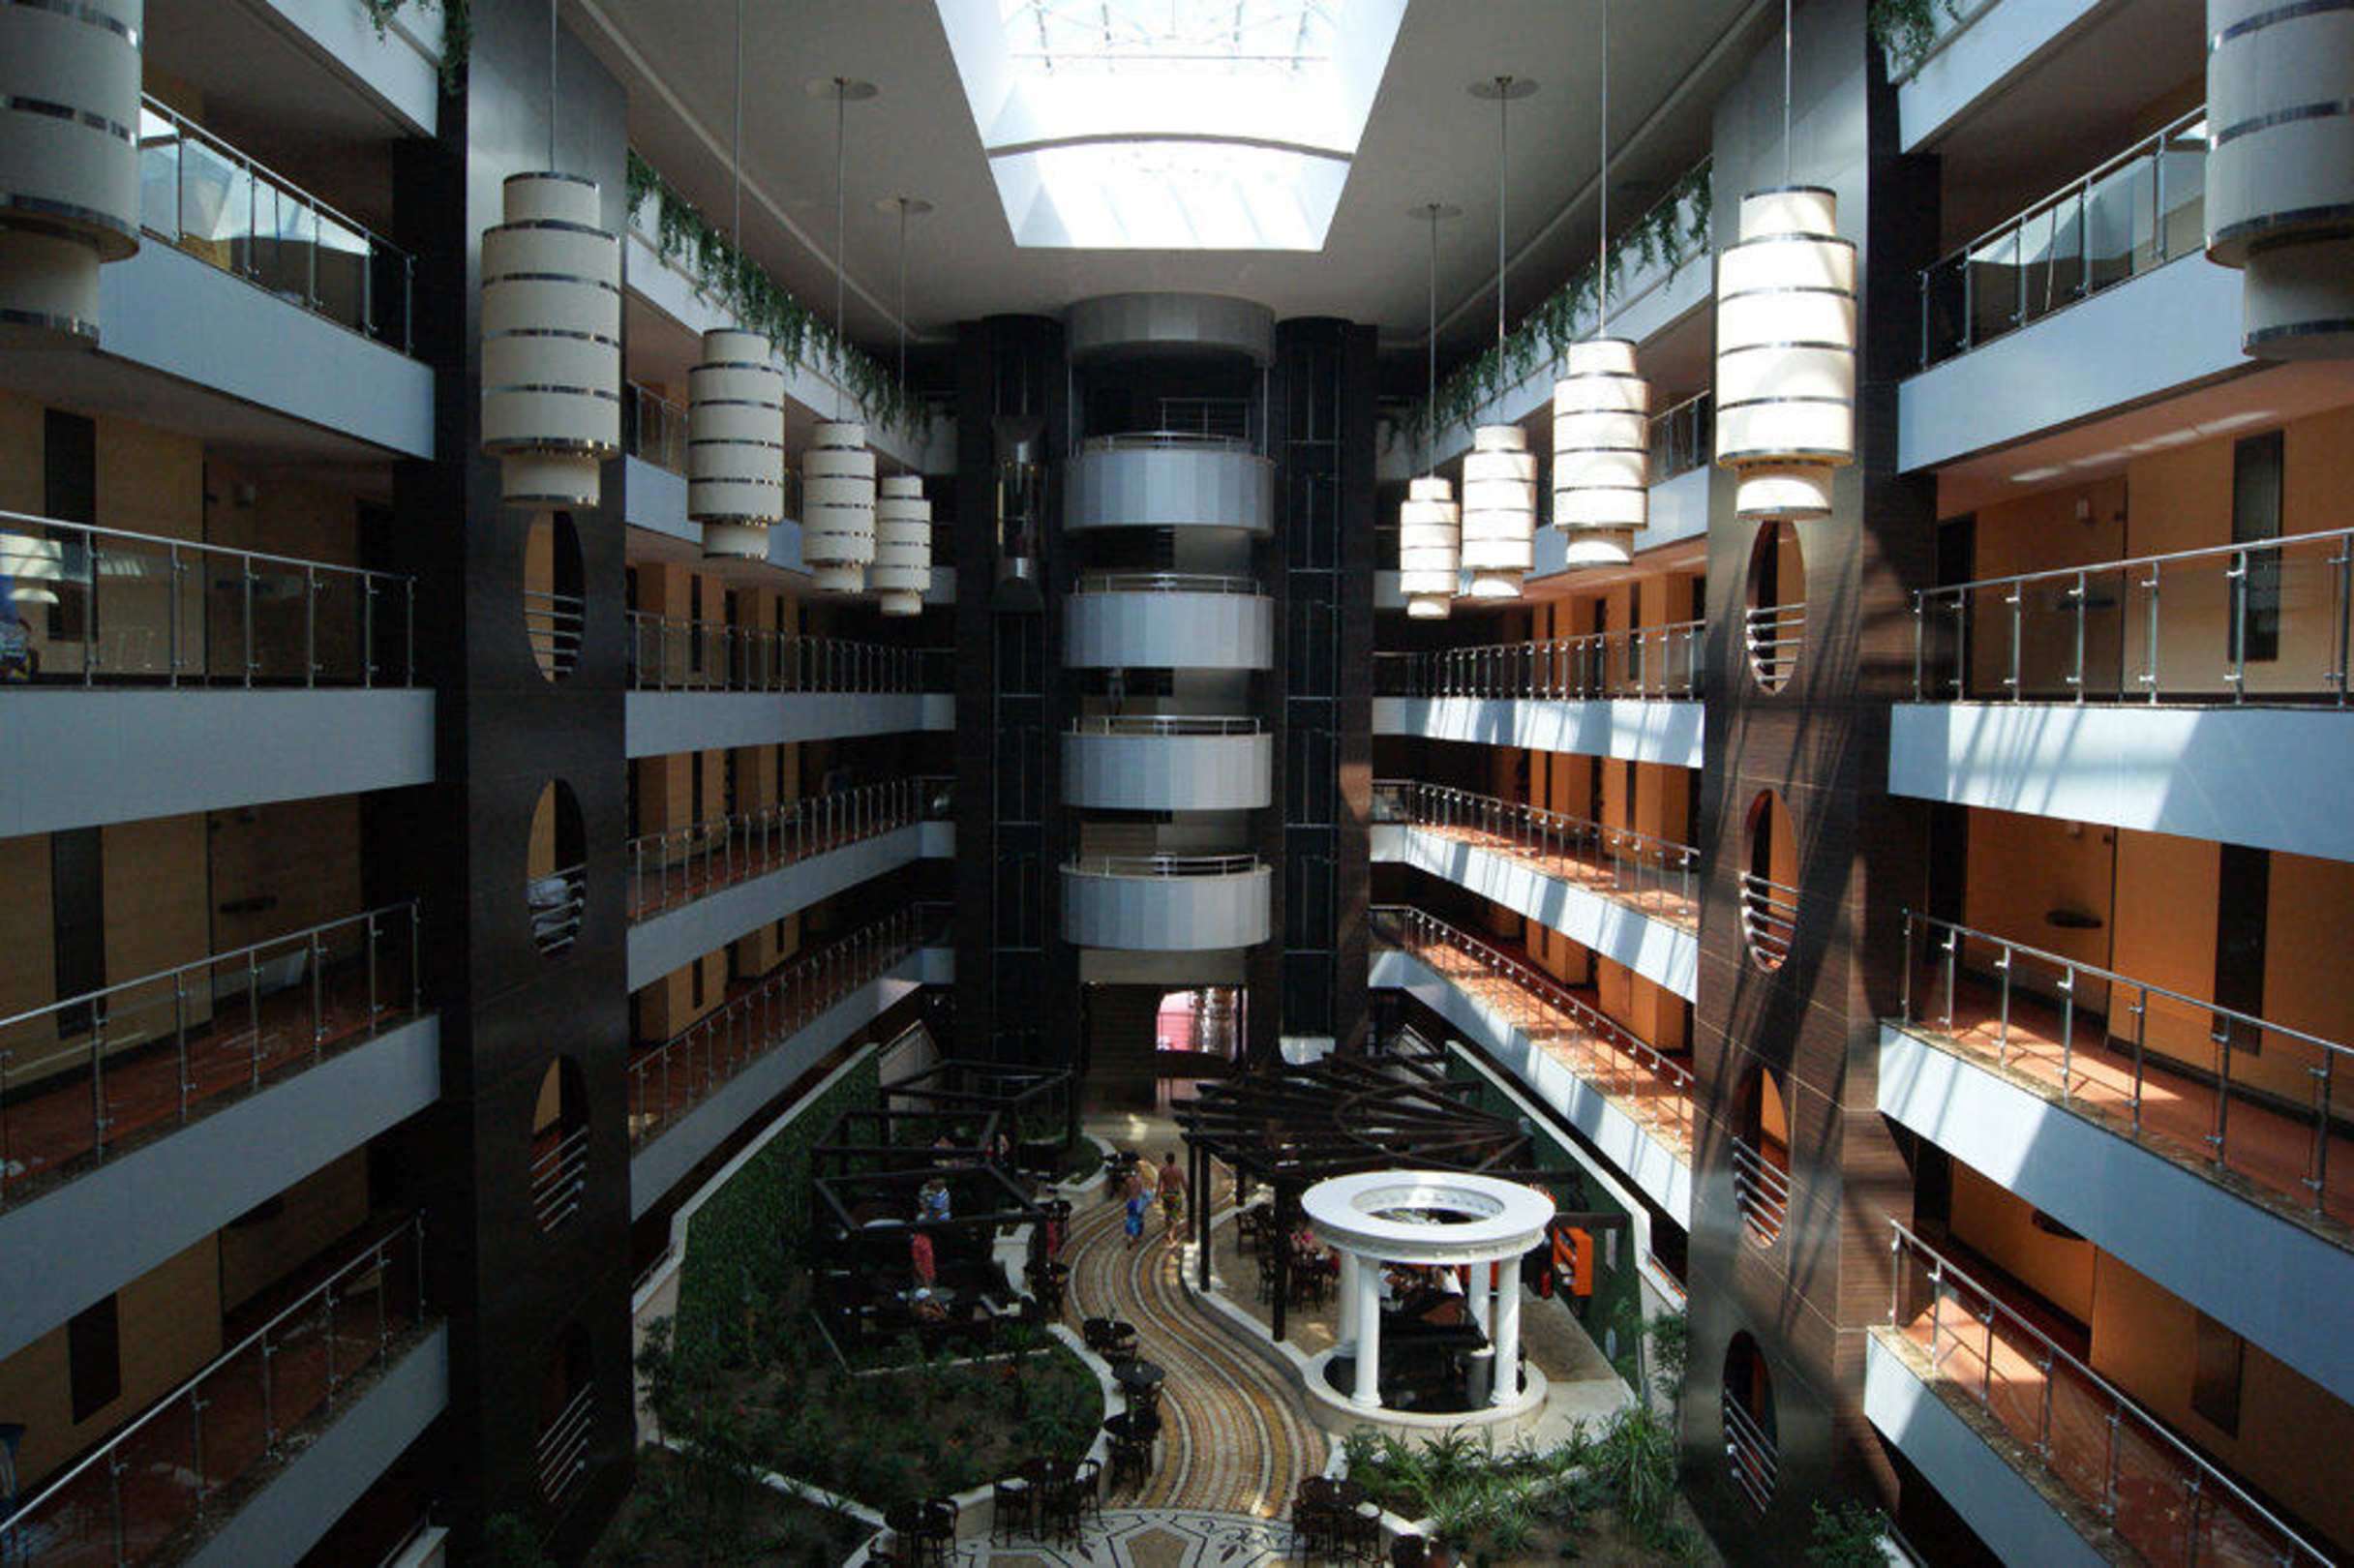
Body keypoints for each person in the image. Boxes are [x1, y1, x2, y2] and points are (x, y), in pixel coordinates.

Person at [1158, 1151, 1187, 1234]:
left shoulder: (1163, 1170)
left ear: (1166, 1160)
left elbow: (1159, 1184)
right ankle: (1172, 1232)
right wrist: (1187, 1193)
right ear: (1174, 1159)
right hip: (1175, 1194)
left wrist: (1157, 1196)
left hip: (1166, 1194)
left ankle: (1168, 1229)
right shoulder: (1178, 1170)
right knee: (1175, 1213)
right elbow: (1183, 1183)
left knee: (1167, 1213)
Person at [1124, 1184, 1150, 1249]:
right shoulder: (1139, 1198)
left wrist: (1126, 1216)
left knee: (1130, 1230)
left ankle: (1130, 1240)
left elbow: (1127, 1210)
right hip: (1137, 1216)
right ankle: (1135, 1239)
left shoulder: (1130, 1200)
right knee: (1138, 1228)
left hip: (1130, 1216)